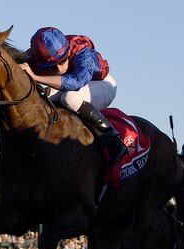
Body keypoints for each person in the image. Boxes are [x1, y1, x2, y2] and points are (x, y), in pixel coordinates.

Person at [21, 27, 126, 163]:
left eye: (62, 61)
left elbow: (75, 82)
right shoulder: (34, 56)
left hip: (101, 85)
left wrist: (35, 77)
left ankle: (114, 140)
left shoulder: (83, 52)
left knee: (69, 98)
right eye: (52, 66)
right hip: (68, 88)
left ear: (68, 51)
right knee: (41, 99)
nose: (59, 69)